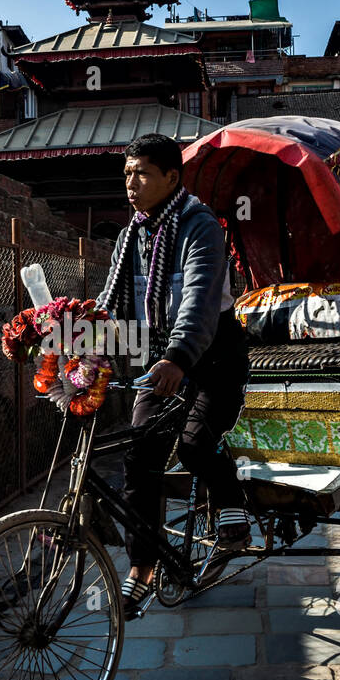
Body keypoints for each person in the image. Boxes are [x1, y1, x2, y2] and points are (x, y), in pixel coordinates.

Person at [96, 133, 250, 619]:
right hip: (162, 360)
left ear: (171, 177)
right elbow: (110, 306)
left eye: (141, 173)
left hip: (213, 357)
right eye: (126, 174)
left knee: (194, 444)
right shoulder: (131, 237)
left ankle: (234, 508)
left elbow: (200, 300)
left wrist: (179, 358)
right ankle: (142, 568)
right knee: (139, 456)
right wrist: (73, 346)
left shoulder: (199, 226)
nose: (131, 184)